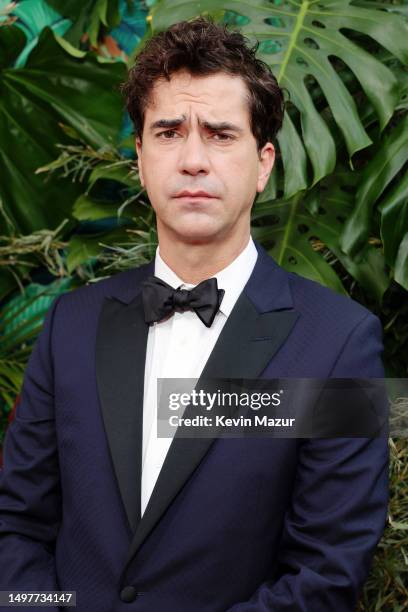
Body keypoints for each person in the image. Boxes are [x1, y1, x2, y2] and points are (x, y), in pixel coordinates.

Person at [0, 17, 388, 612]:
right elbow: (16, 526)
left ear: (263, 163)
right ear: (140, 156)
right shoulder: (70, 325)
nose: (193, 159)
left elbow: (327, 574)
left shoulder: (340, 343)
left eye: (221, 134)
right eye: (169, 132)